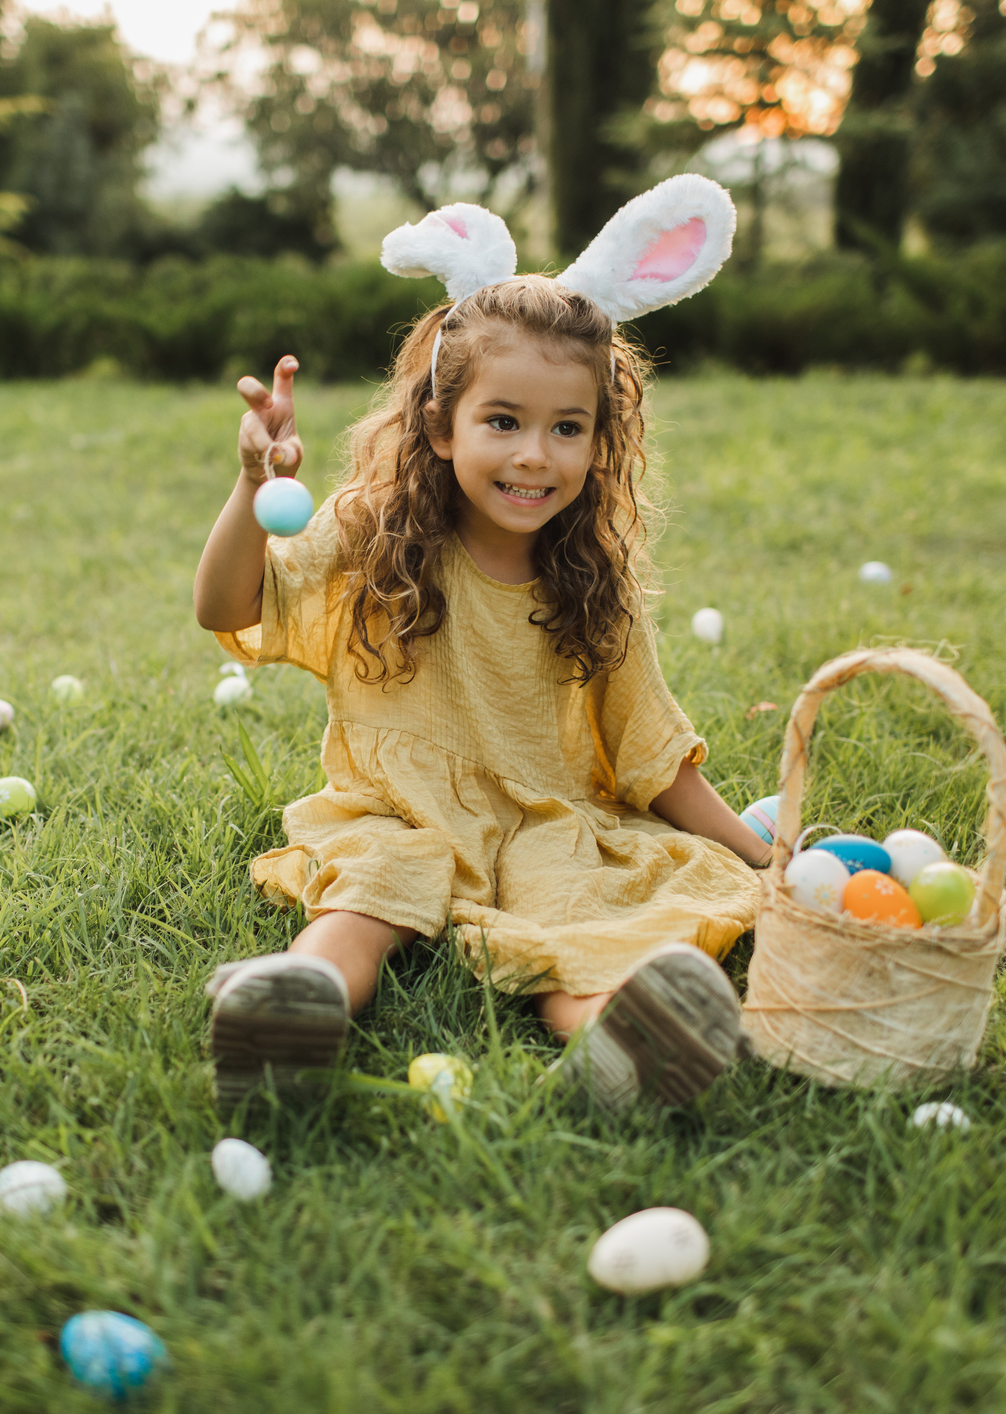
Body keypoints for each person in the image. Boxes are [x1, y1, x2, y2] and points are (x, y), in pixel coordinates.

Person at [192, 177, 770, 1113]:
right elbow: (226, 602)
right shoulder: (370, 532)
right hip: (396, 809)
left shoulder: (594, 584)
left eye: (566, 428)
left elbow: (650, 754)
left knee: (575, 911)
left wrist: (759, 857)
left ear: (598, 442)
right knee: (368, 897)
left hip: (542, 817)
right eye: (502, 422)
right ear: (439, 423)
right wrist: (251, 486)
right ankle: (299, 1009)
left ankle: (617, 1045)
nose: (534, 455)